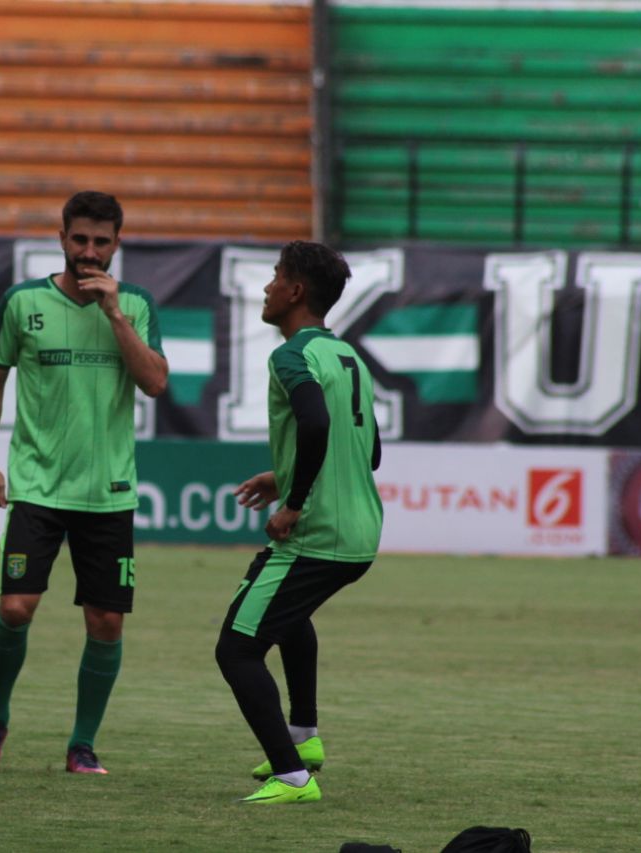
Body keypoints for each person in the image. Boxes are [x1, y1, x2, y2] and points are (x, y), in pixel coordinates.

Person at [0, 190, 168, 775]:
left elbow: (155, 383)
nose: (89, 251)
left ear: (117, 244)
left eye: (101, 241)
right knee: (16, 607)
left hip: (108, 491)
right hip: (37, 486)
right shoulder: (23, 301)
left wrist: (114, 314)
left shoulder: (136, 304)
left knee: (105, 622)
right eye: (79, 239)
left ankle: (82, 744)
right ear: (61, 239)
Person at [216, 240, 383, 805]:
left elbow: (314, 424)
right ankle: (304, 737)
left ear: (295, 291)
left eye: (275, 277)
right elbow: (371, 450)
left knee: (236, 650)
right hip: (360, 532)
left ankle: (292, 777)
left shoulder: (291, 356)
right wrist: (280, 475)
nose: (266, 288)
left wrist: (294, 502)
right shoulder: (349, 356)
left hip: (318, 534)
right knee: (287, 617)